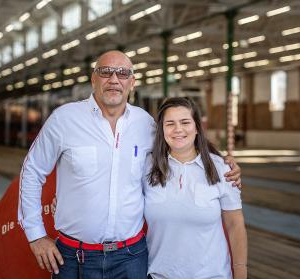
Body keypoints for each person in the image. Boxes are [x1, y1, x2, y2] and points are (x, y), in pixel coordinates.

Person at [18, 50, 242, 279]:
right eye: (106, 72)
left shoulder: (144, 124)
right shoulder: (64, 119)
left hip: (132, 258)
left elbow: (180, 142)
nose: (114, 80)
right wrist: (35, 235)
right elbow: (32, 171)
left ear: (132, 82)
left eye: (123, 74)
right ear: (93, 79)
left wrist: (221, 161)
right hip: (74, 259)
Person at [144, 97, 247, 279]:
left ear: (197, 127)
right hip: (160, 275)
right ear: (161, 129)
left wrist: (240, 273)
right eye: (170, 124)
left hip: (212, 275)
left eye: (185, 122)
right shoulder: (146, 167)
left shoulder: (222, 169)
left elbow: (235, 225)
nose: (178, 129)